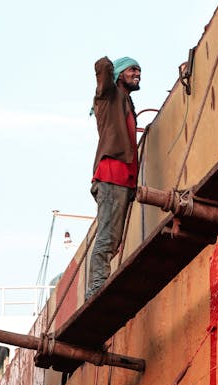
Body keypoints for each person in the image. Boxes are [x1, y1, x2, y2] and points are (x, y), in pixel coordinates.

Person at [86, 55, 141, 299]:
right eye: (132, 69)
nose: (138, 73)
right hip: (111, 175)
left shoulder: (128, 104)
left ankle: (98, 285)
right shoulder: (109, 97)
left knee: (114, 241)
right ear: (119, 74)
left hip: (124, 179)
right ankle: (96, 289)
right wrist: (111, 65)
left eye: (139, 70)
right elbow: (103, 68)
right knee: (107, 238)